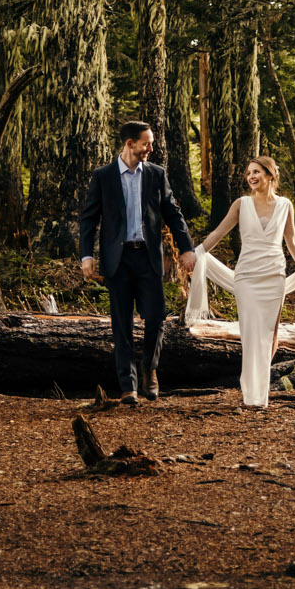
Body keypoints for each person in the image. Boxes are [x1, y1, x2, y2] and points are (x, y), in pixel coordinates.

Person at [187, 156, 295, 409]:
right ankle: (251, 394)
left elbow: (291, 242)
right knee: (250, 334)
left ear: (270, 175)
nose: (251, 176)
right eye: (249, 172)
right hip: (247, 276)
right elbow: (219, 232)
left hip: (274, 275)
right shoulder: (241, 204)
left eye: (257, 171)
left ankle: (261, 388)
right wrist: (197, 252)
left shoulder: (285, 205)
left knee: (270, 335)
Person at [79, 121, 195, 404]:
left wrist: (187, 248)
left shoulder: (156, 174)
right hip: (117, 260)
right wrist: (86, 256)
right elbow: (89, 219)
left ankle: (149, 370)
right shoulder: (103, 176)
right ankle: (128, 385)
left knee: (156, 317)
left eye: (151, 142)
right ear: (130, 144)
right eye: (146, 143)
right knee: (122, 324)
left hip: (148, 258)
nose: (150, 148)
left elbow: (173, 213)